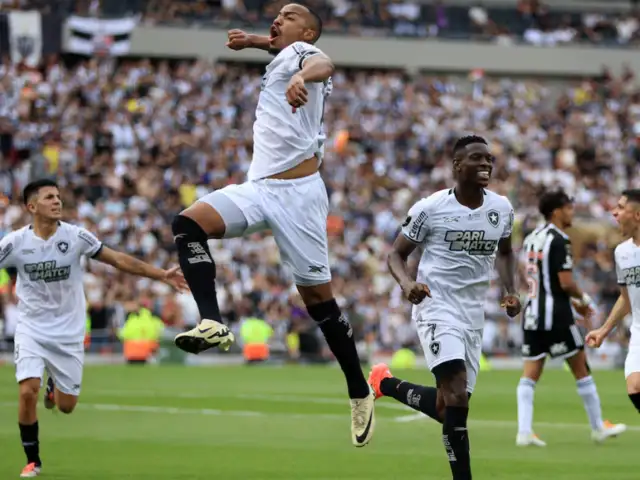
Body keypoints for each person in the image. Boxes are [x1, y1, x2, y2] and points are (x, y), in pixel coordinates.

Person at [168, 3, 375, 447]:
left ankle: (358, 389)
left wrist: (303, 76)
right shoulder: (285, 52)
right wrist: (255, 42)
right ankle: (211, 322)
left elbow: (322, 61)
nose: (278, 18)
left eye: (290, 14)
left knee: (320, 302)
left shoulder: (304, 54)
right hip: (259, 188)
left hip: (299, 198)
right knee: (187, 223)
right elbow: (284, 52)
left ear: (309, 31)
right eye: (277, 14)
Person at [0, 179, 187, 478]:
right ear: (31, 206)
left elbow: (117, 259)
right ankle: (33, 459)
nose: (57, 201)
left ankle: (55, 386)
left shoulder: (76, 237)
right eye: (49, 197)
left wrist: (160, 274)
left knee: (66, 407)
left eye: (59, 197)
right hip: (31, 328)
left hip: (69, 332)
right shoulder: (15, 243)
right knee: (26, 392)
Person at [368, 135, 520, 480]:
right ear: (456, 166)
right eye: (477, 159)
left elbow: (507, 253)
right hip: (436, 306)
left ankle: (384, 384)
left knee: (446, 406)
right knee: (456, 397)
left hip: (472, 313)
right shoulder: (431, 208)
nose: (485, 165)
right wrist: (407, 285)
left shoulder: (501, 209)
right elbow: (395, 253)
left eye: (489, 160)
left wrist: (511, 290)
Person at [516, 189, 626, 446]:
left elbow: (532, 276)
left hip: (532, 313)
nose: (572, 212)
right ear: (557, 211)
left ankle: (523, 431)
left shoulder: (532, 237)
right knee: (581, 369)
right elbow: (565, 282)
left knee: (530, 374)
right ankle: (598, 427)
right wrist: (583, 301)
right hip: (555, 315)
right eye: (568, 208)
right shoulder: (559, 239)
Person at [587, 189, 640, 414]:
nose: (614, 212)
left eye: (620, 207)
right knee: (635, 387)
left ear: (637, 214)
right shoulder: (622, 252)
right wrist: (604, 330)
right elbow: (626, 298)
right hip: (639, 330)